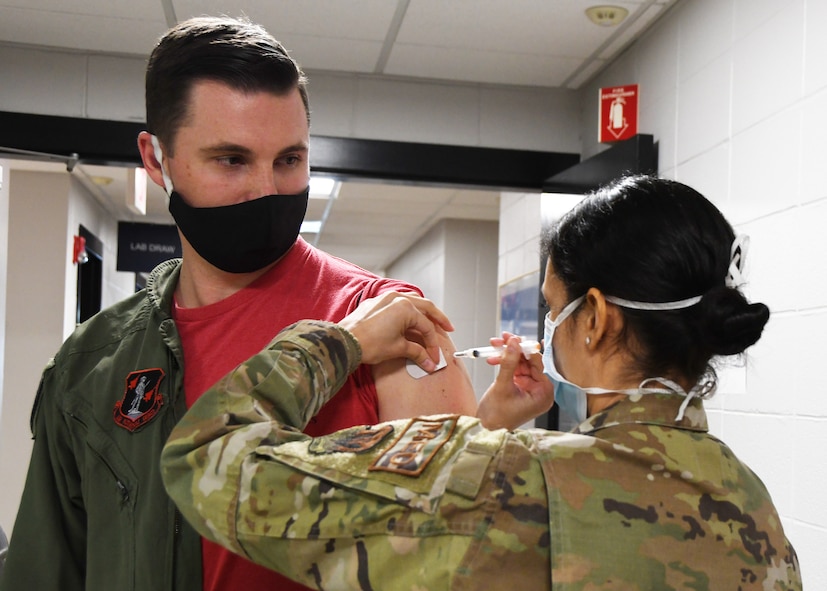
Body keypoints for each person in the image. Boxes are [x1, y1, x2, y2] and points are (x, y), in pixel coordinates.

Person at [0, 15, 476, 591]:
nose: (267, 192)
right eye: (232, 160)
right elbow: (45, 570)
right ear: (156, 160)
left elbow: (459, 554)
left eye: (289, 160)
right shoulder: (93, 363)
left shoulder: (392, 326)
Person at [160, 175, 802, 590]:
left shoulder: (501, 477)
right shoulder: (753, 503)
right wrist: (488, 427)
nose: (547, 326)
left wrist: (339, 340)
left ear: (598, 319)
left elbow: (207, 457)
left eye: (555, 309)